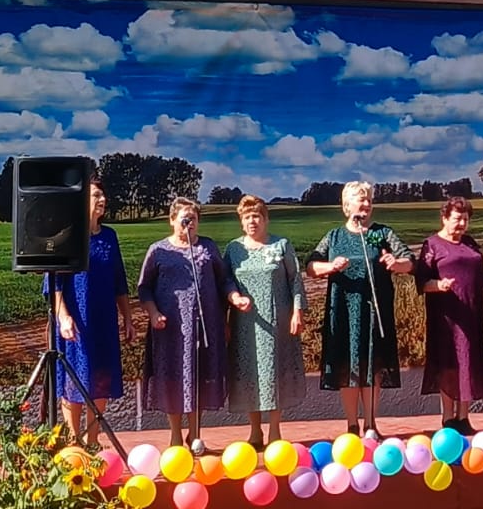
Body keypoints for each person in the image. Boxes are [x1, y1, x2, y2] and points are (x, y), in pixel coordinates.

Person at [137, 197, 252, 451]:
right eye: (184, 220)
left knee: (199, 378)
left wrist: (235, 297)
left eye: (194, 220)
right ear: (172, 220)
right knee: (174, 379)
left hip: (204, 326)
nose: (189, 225)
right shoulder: (158, 251)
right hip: (170, 329)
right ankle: (176, 436)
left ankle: (195, 434)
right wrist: (153, 313)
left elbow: (224, 280)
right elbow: (144, 288)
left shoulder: (207, 247)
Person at [308, 181, 414, 438]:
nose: (366, 204)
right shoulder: (334, 236)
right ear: (346, 206)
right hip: (343, 311)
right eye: (360, 199)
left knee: (372, 365)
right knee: (348, 366)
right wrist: (331, 266)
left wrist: (395, 263)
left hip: (374, 311)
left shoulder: (381, 233)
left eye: (369, 200)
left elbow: (410, 261)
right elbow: (311, 266)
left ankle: (371, 423)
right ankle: (351, 424)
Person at [45, 178, 135, 447]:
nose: (102, 200)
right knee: (75, 379)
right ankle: (74, 442)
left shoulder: (109, 236)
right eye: (96, 195)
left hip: (104, 319)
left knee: (101, 379)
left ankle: (93, 441)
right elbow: (53, 283)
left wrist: (128, 317)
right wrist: (63, 316)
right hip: (76, 321)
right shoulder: (68, 235)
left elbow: (119, 280)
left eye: (103, 195)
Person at [224, 195, 308, 449]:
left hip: (276, 322)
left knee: (272, 373)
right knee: (251, 374)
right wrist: (234, 298)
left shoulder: (281, 245)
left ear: (266, 219)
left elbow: (295, 279)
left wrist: (297, 311)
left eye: (257, 216)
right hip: (245, 324)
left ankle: (274, 430)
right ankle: (254, 431)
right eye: (247, 217)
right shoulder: (233, 249)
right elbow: (226, 281)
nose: (252, 221)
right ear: (241, 222)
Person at [415, 196, 483, 434]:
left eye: (466, 219)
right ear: (445, 218)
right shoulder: (432, 245)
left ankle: (464, 417)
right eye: (457, 219)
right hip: (446, 318)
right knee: (448, 363)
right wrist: (439, 285)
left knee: (468, 362)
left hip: (471, 314)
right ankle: (448, 418)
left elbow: (482, 275)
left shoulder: (470, 243)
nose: (462, 224)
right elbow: (422, 281)